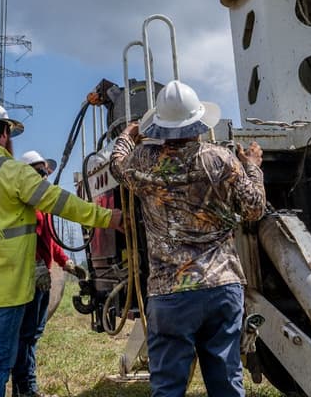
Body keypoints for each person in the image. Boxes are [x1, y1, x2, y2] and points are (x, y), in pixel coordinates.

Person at [0, 103, 122, 397]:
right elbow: (59, 201)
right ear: (5, 133)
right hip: (3, 287)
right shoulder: (12, 171)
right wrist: (107, 217)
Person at [109, 80, 266, 397]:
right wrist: (252, 167)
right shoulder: (220, 159)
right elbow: (254, 209)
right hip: (222, 287)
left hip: (170, 293)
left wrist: (126, 136)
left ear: (160, 127)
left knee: (168, 386)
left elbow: (116, 165)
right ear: (198, 122)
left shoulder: (143, 159)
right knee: (226, 383)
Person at [10, 150, 87, 397]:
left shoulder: (40, 205)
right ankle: (26, 389)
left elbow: (49, 240)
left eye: (46, 172)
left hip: (41, 276)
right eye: (42, 172)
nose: (46, 177)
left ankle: (23, 389)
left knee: (33, 332)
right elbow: (20, 238)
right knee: (26, 335)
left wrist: (67, 263)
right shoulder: (22, 203)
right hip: (29, 277)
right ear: (29, 173)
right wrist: (34, 265)